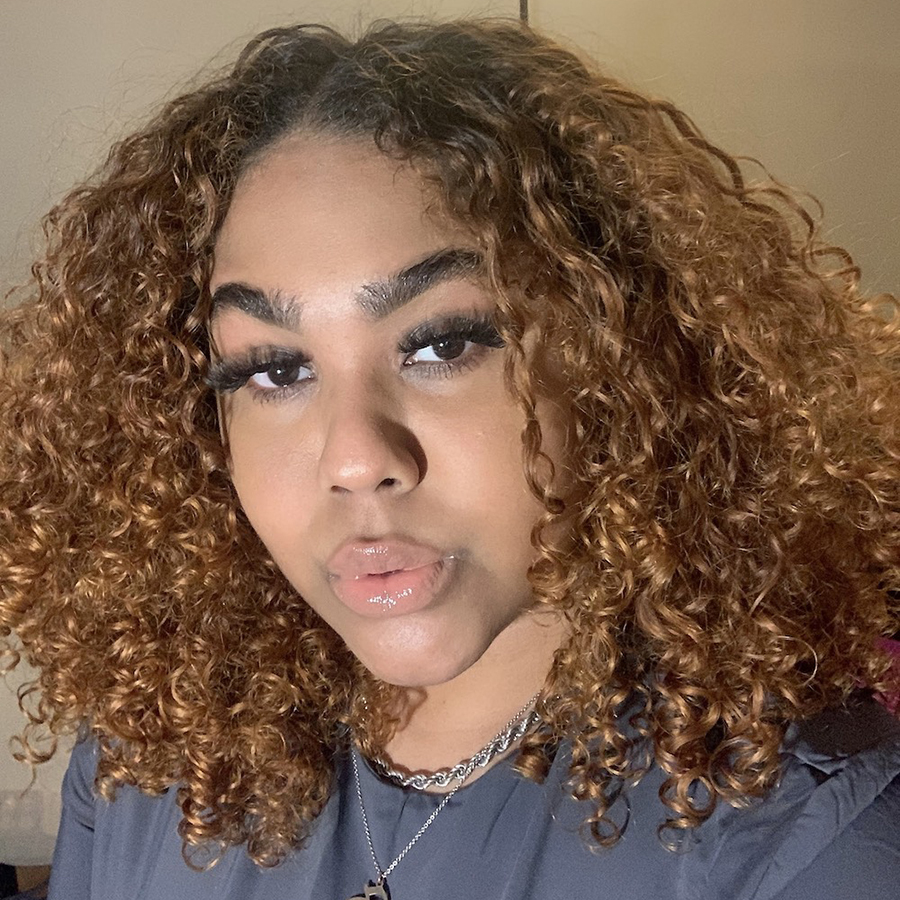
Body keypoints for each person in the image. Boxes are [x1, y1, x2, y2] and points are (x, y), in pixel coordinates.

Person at [0, 18, 898, 900]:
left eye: (443, 345)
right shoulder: (145, 771)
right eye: (274, 369)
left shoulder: (810, 842)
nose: (357, 461)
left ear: (617, 359)